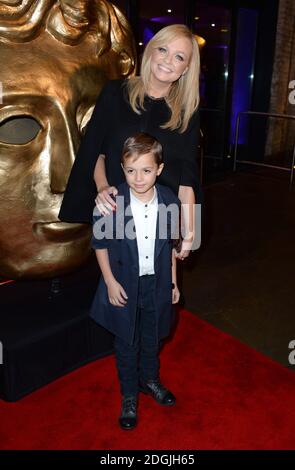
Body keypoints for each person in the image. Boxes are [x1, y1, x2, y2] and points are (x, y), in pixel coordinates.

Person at [58, 23, 202, 261]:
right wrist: (103, 187)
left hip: (161, 216)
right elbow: (95, 149)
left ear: (186, 68)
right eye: (163, 50)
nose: (167, 60)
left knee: (159, 291)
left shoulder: (188, 111)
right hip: (116, 211)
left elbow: (187, 177)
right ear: (151, 51)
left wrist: (189, 233)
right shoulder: (115, 92)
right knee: (115, 288)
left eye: (179, 57)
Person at [90, 133, 181, 430]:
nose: (138, 178)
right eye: (130, 170)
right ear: (122, 168)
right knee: (127, 341)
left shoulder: (169, 200)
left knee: (152, 337)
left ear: (160, 169)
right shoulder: (112, 202)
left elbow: (168, 247)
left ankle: (150, 381)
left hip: (157, 283)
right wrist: (110, 282)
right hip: (124, 283)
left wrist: (174, 283)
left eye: (146, 170)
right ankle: (129, 394)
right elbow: (100, 245)